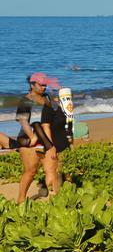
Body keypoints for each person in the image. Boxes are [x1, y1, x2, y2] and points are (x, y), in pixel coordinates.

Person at [14, 72, 68, 203]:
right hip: (28, 141)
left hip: (45, 139)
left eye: (45, 85)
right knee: (31, 171)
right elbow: (23, 121)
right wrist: (32, 137)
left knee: (52, 169)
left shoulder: (46, 97)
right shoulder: (25, 100)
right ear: (32, 85)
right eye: (41, 85)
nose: (44, 87)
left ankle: (55, 200)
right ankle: (21, 200)